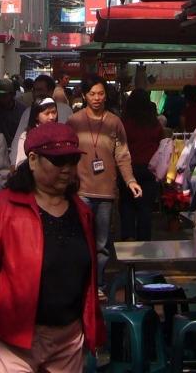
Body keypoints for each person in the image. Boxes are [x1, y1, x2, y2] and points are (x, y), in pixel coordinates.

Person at [0, 123, 106, 372]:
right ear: (32, 160)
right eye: (58, 160)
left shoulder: (83, 213)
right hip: (13, 339)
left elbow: (89, 280)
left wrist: (92, 328)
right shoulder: (5, 206)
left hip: (69, 338)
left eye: (72, 160)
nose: (67, 168)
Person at [67, 77, 140, 292]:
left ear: (106, 95)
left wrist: (130, 180)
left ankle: (98, 284)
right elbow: (67, 155)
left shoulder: (114, 122)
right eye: (92, 94)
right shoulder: (74, 121)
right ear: (84, 96)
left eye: (100, 93)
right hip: (81, 190)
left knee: (102, 244)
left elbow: (122, 155)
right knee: (81, 240)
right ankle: (82, 285)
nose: (97, 98)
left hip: (106, 192)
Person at [119, 89, 166, 242]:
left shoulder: (124, 123)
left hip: (128, 168)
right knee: (145, 209)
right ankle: (144, 241)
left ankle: (128, 238)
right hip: (149, 169)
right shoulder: (154, 123)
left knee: (127, 204)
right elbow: (161, 143)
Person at [10, 74, 73, 150]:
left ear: (51, 91)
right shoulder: (28, 111)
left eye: (40, 90)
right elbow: (18, 145)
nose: (35, 93)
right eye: (34, 90)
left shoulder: (65, 109)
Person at [13, 97, 61, 168]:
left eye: (54, 112)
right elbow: (20, 163)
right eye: (47, 113)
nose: (51, 117)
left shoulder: (61, 133)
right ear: (36, 116)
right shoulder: (26, 136)